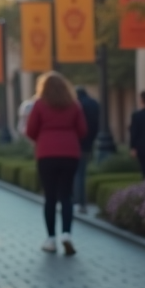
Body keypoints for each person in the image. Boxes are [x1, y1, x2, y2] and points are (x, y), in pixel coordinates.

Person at [27, 72, 88, 255]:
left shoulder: (39, 104)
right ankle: (67, 234)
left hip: (46, 153)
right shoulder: (73, 104)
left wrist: (43, 138)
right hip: (70, 153)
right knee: (66, 196)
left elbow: (30, 130)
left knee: (50, 197)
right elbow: (83, 130)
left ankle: (51, 239)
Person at [73, 87, 101, 213]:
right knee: (83, 172)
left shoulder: (78, 105)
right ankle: (82, 202)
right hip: (89, 142)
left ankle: (79, 202)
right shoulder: (94, 104)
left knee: (78, 173)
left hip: (78, 143)